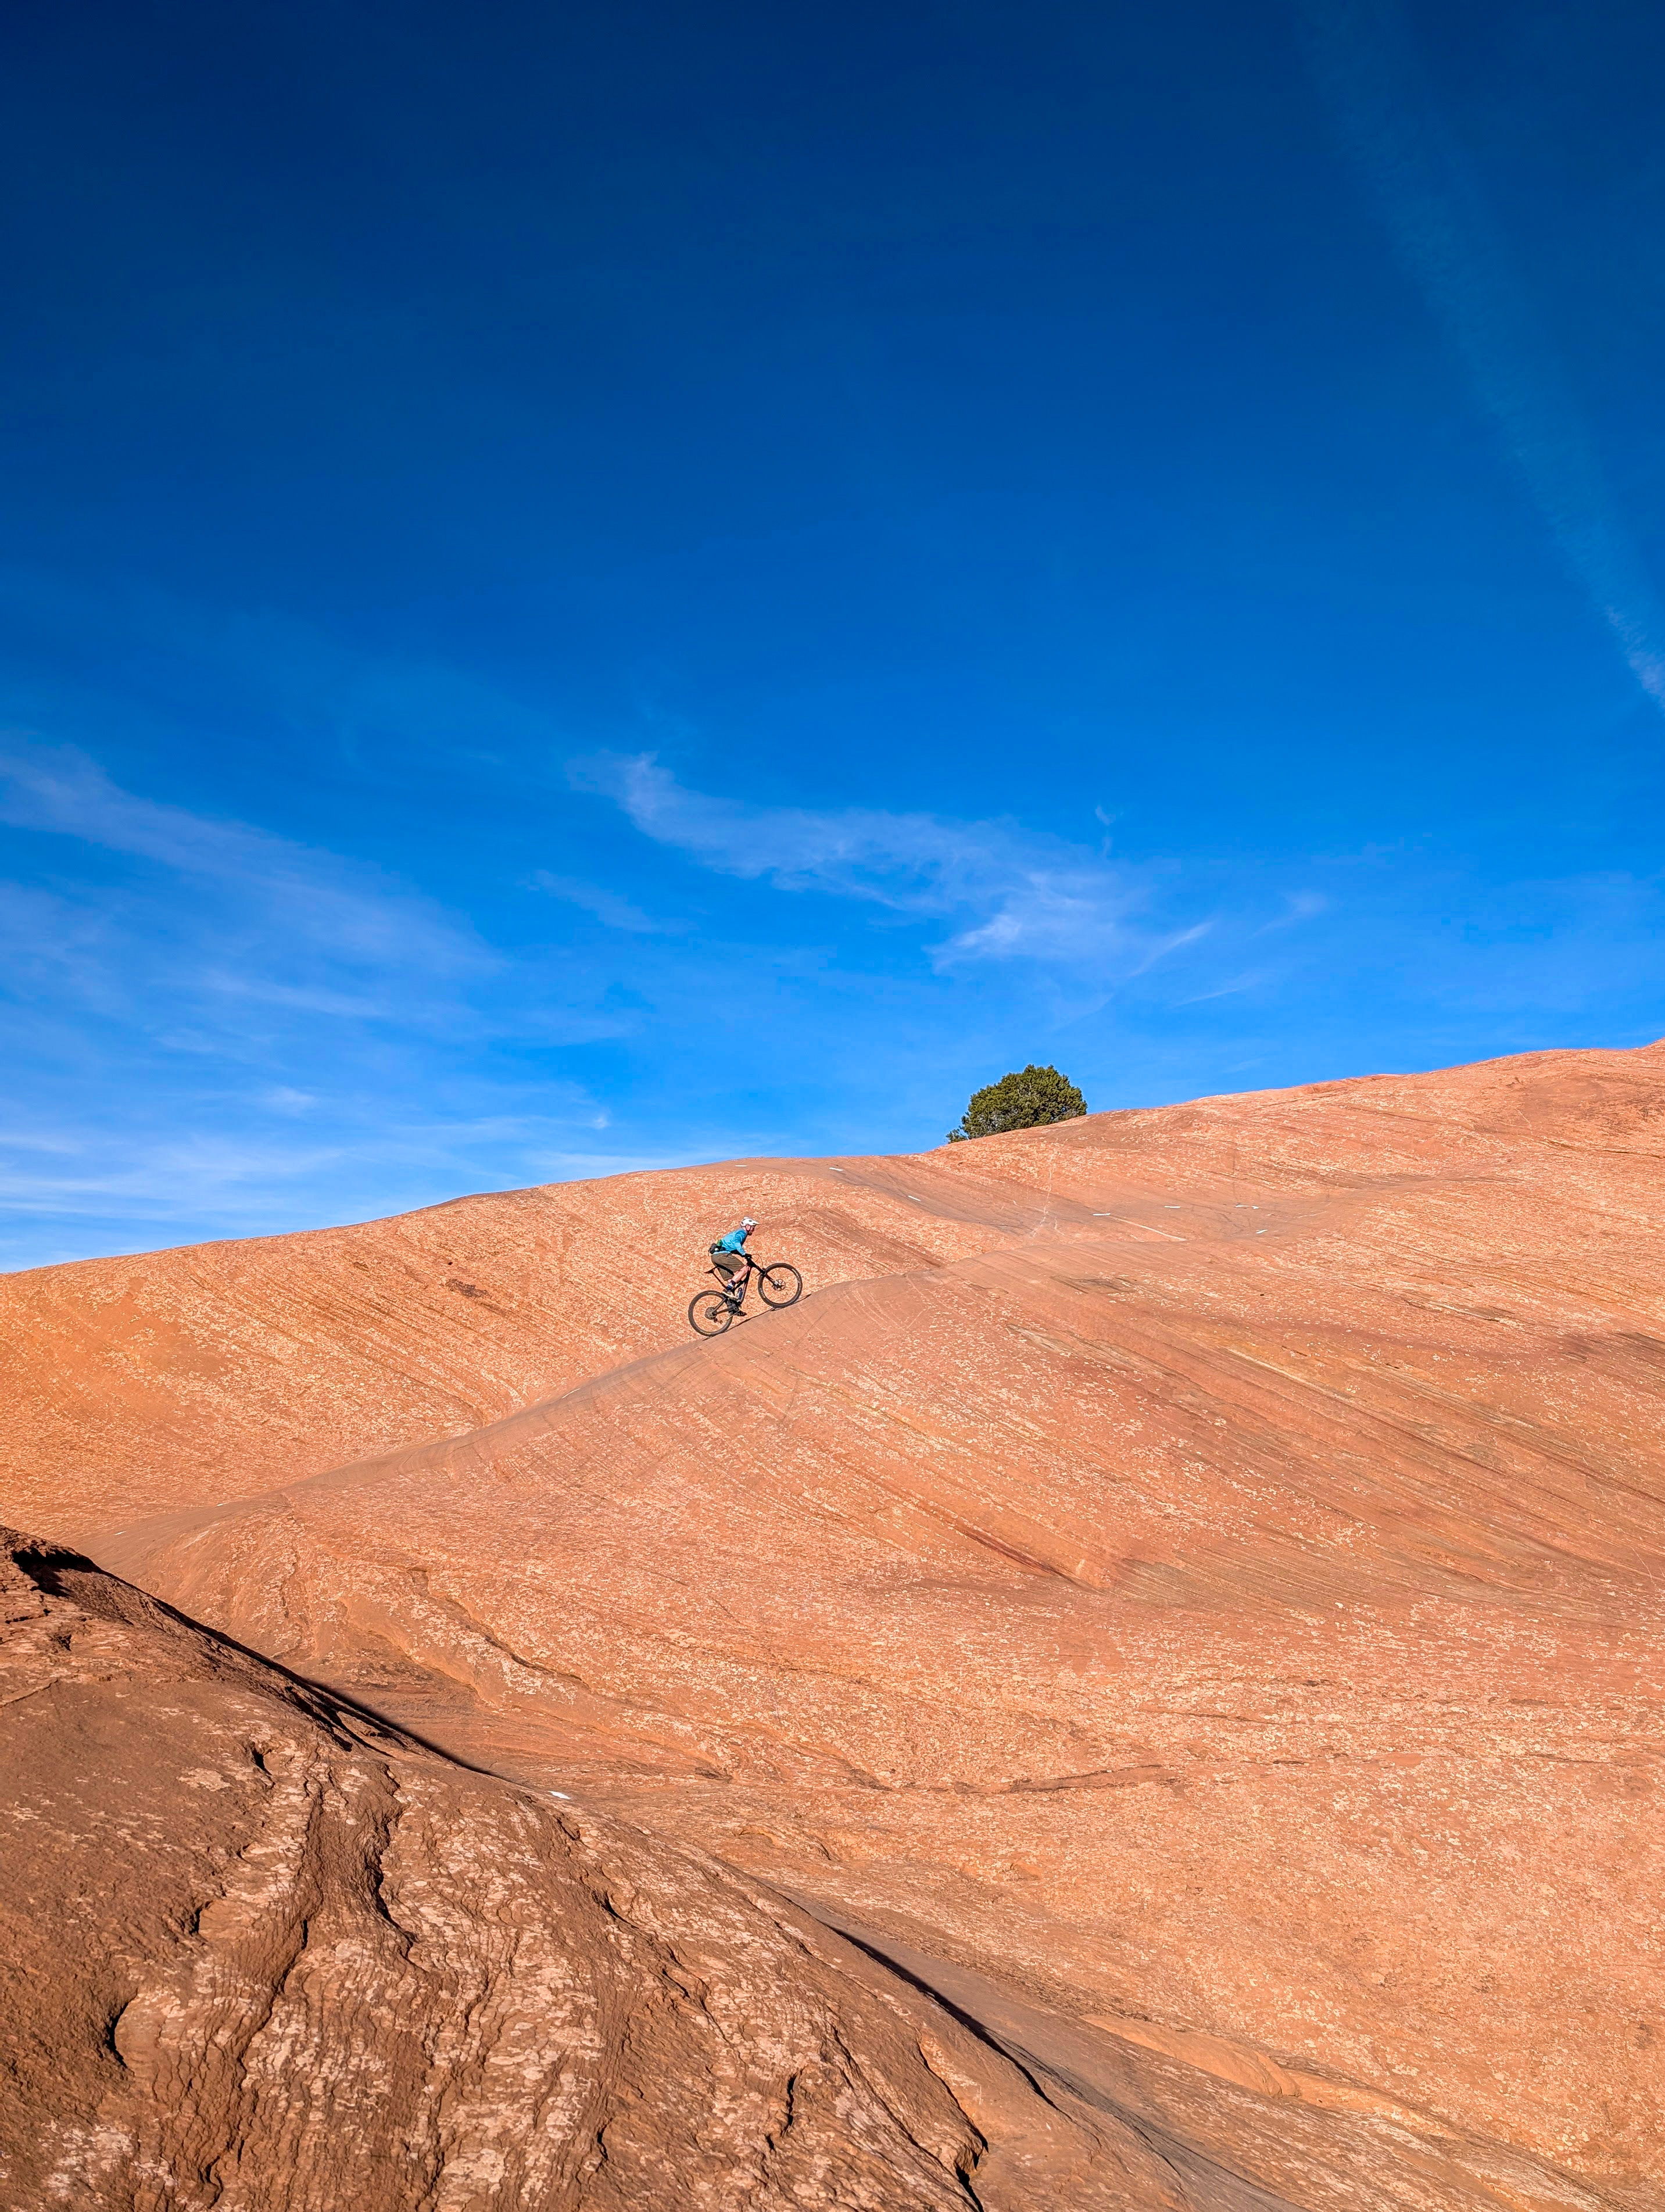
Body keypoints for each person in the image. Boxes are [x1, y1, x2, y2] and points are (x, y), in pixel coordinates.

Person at [710, 1218, 757, 1302]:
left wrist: (744, 1256)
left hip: (715, 1257)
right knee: (744, 1269)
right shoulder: (742, 1233)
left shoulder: (737, 1233)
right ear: (748, 1227)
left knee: (732, 1281)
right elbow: (736, 1244)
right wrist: (744, 1253)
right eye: (753, 1227)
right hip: (722, 1255)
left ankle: (733, 1306)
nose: (754, 1230)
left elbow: (733, 1248)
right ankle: (728, 1290)